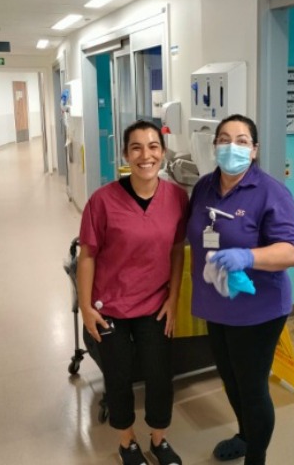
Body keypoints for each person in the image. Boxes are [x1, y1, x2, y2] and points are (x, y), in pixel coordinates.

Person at [187, 114, 294, 465]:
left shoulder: (271, 191)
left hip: (258, 310)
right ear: (214, 146)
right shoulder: (204, 187)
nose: (231, 146)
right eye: (224, 139)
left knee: (251, 389)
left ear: (254, 150)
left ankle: (257, 457)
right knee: (231, 381)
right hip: (215, 304)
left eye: (240, 140)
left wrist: (247, 255)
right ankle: (245, 434)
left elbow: (292, 252)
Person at [77, 120, 188, 465]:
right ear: (125, 154)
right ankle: (127, 443)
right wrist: (85, 307)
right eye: (136, 147)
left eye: (153, 146)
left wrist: (173, 298)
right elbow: (88, 255)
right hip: (110, 306)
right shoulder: (102, 201)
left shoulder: (176, 198)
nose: (146, 155)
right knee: (119, 377)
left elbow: (176, 249)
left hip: (155, 304)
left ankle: (159, 440)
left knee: (159, 375)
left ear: (163, 153)